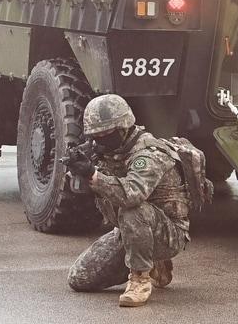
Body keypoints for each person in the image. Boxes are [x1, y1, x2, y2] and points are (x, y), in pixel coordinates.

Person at [67, 95, 190, 307]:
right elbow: (84, 190)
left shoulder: (149, 154)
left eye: (106, 134)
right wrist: (79, 168)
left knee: (132, 209)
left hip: (168, 233)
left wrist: (93, 175)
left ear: (124, 127)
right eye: (96, 136)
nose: (101, 140)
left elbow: (131, 194)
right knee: (79, 278)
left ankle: (140, 279)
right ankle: (153, 261)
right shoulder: (108, 151)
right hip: (129, 232)